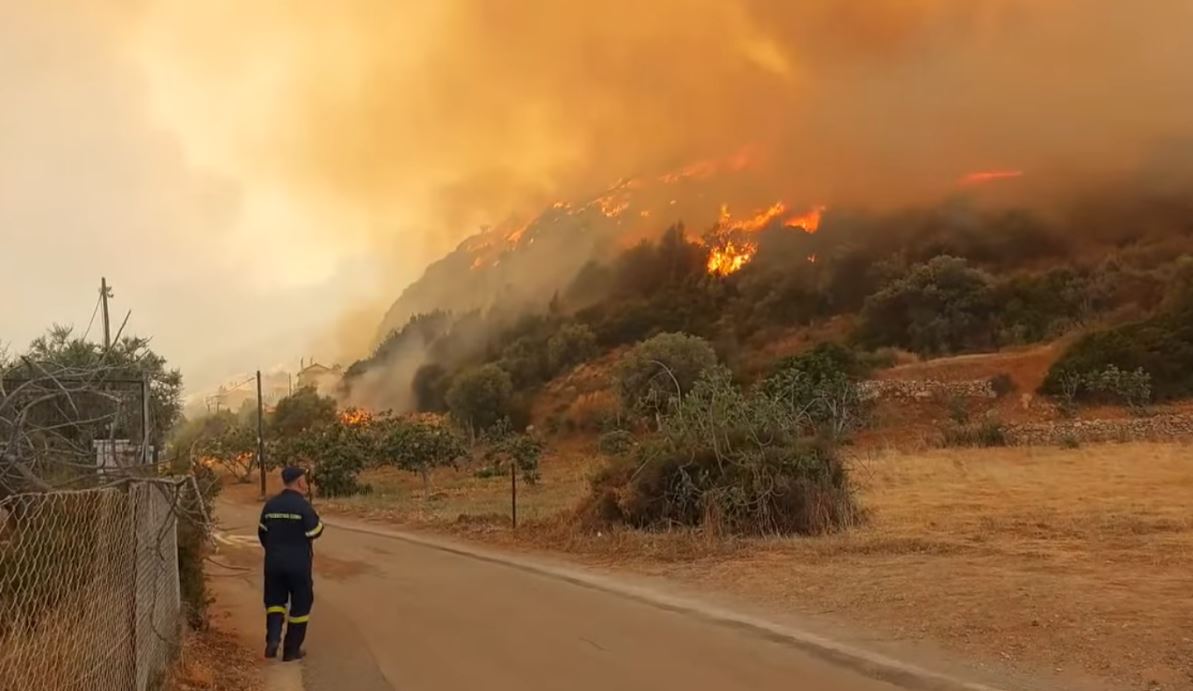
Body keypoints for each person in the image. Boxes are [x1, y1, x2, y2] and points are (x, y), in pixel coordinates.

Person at [257, 466, 323, 661]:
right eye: (305, 481)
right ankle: (291, 650)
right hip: (298, 564)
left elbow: (262, 533)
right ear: (300, 482)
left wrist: (274, 549)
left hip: (273, 563)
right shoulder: (303, 506)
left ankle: (273, 639)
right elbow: (315, 531)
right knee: (301, 604)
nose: (307, 484)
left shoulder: (270, 505)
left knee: (274, 601)